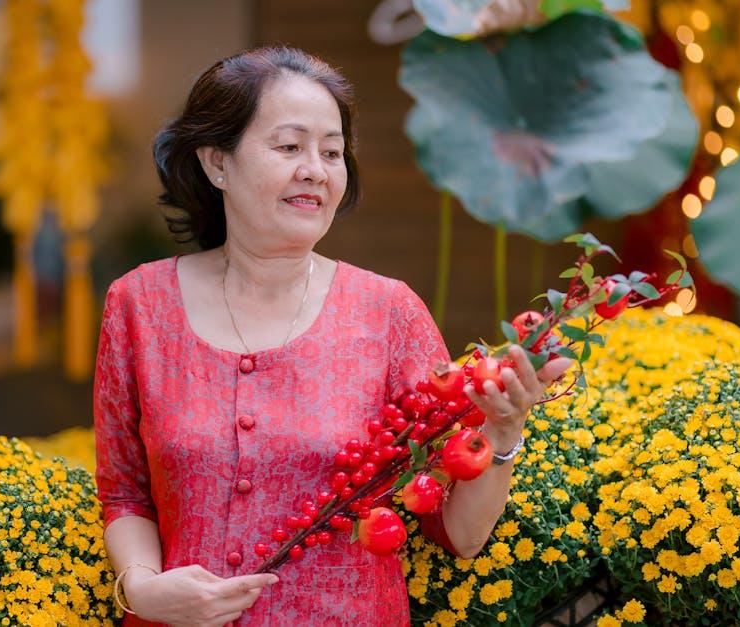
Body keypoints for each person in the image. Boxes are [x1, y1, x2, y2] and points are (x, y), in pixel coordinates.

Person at [94, 46, 572, 627]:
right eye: (289, 146)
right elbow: (125, 493)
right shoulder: (140, 305)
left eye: (332, 152)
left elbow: (458, 532)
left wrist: (502, 432)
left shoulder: (389, 313)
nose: (316, 170)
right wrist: (142, 590)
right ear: (217, 163)